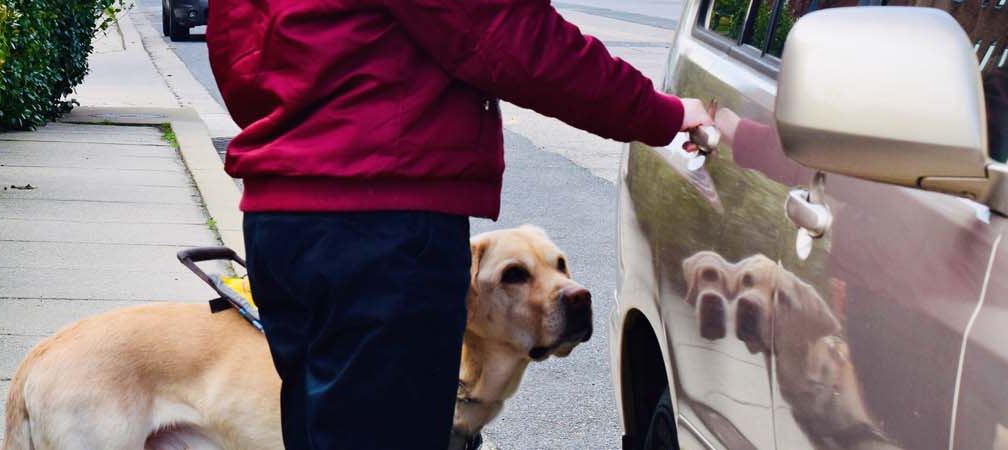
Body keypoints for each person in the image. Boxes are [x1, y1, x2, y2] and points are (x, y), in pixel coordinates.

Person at [206, 0, 712, 448]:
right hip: (382, 225)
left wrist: (306, 128)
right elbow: (506, 34)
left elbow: (237, 50)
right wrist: (661, 112)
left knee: (319, 430)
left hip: (283, 219)